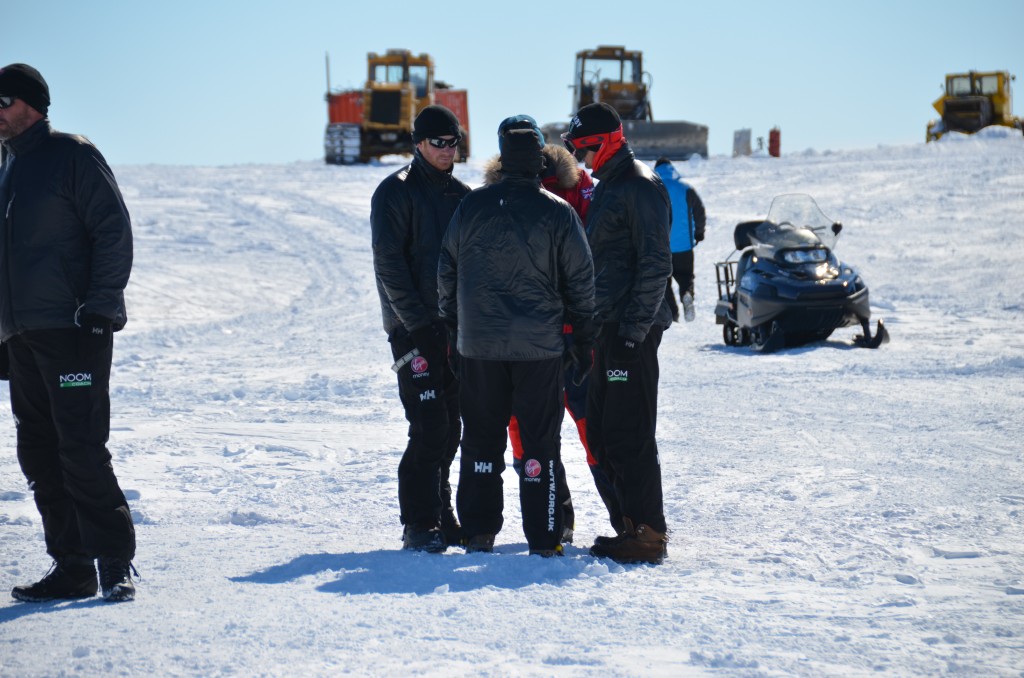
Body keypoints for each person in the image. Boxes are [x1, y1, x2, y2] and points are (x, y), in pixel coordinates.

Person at [0, 64, 137, 602]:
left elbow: (112, 230)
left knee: (80, 448)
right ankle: (72, 565)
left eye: (2, 102)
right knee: (39, 453)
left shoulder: (72, 155)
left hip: (74, 329)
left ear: (32, 104)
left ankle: (115, 563)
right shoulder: (7, 167)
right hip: (23, 336)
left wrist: (100, 309)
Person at [438, 127, 595, 556]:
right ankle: (545, 536)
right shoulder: (558, 211)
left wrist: (454, 327)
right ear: (540, 164)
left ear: (503, 161)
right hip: (539, 349)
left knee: (481, 440)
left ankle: (478, 531)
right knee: (539, 443)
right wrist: (583, 339)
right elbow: (582, 282)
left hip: (480, 347)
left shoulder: (472, 206)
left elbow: (446, 271)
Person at [483, 115, 618, 543]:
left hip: (571, 331)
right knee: (527, 432)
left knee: (590, 424)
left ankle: (626, 517)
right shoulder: (491, 199)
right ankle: (555, 517)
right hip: (524, 336)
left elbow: (597, 257)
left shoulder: (580, 190)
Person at [561, 102, 672, 564]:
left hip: (632, 330)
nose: (582, 162)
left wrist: (631, 333)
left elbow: (655, 264)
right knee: (604, 431)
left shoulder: (639, 186)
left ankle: (647, 532)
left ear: (604, 141)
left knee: (629, 431)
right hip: (609, 327)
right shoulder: (611, 185)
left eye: (584, 150)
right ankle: (629, 523)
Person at [370, 105, 470, 552]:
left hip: (456, 329)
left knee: (451, 428)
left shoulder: (463, 195)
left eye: (453, 143)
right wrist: (418, 326)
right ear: (418, 143)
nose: (447, 151)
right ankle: (418, 522)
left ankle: (441, 512)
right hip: (412, 332)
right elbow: (390, 267)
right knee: (428, 424)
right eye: (438, 143)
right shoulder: (395, 193)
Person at [654, 157, 706, 323]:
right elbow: (699, 211)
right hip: (684, 246)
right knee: (686, 278)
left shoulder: (653, 188)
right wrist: (699, 233)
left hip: (661, 247)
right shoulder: (685, 188)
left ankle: (672, 313)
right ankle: (687, 295)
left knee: (664, 282)